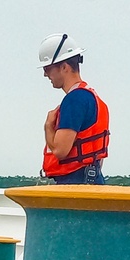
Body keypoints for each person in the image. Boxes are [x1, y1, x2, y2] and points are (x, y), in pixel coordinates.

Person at [38, 33, 110, 184]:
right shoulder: (91, 97)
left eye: (47, 68)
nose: (45, 74)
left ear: (64, 67)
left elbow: (60, 151)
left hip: (75, 182)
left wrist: (48, 127)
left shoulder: (74, 100)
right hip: (92, 179)